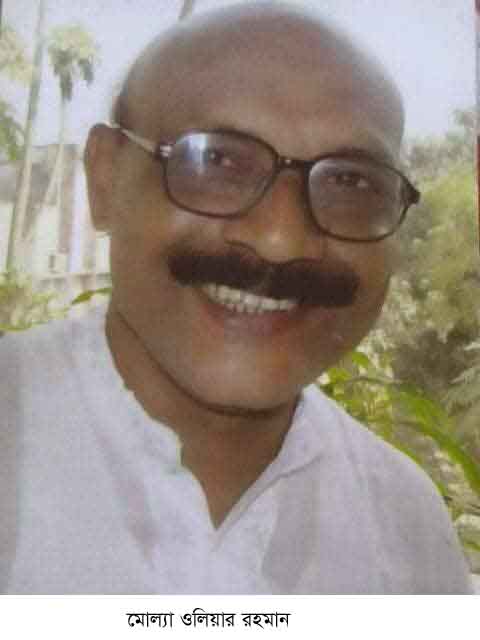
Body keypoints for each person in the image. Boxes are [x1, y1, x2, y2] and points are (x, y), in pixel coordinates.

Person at [0, 2, 473, 594]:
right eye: (217, 160)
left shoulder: (407, 534)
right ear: (105, 179)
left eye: (350, 181)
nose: (280, 239)